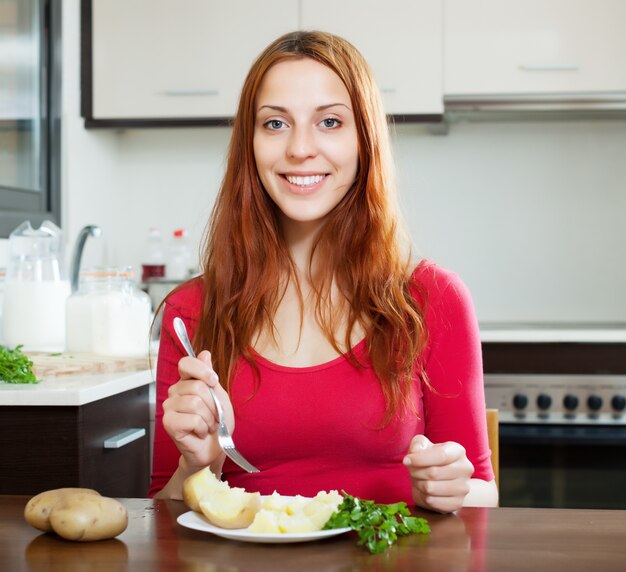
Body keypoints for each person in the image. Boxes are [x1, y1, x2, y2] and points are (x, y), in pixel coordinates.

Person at [149, 30, 498, 513]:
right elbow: (163, 512)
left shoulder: (433, 296)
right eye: (275, 124)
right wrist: (198, 465)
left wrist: (444, 489)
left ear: (364, 141)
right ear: (248, 143)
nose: (300, 149)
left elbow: (483, 491)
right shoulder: (190, 312)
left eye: (330, 121)